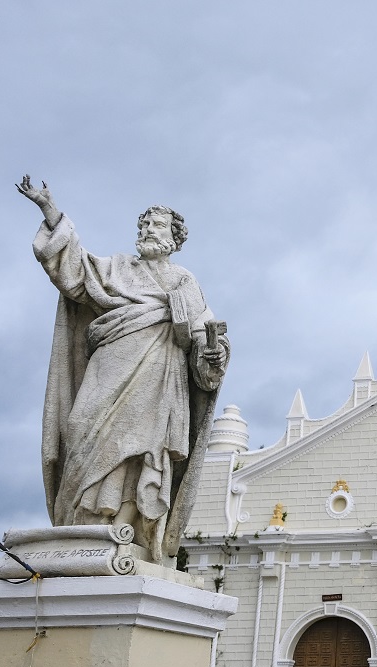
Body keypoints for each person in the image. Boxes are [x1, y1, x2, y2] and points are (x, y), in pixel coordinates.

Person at [17, 176, 229, 565]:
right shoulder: (116, 268)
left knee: (139, 454)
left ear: (175, 238)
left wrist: (212, 357)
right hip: (108, 367)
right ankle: (78, 525)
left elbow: (204, 336)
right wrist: (50, 211)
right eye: (146, 223)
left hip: (158, 380)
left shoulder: (184, 281)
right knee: (79, 428)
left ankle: (125, 529)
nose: (150, 229)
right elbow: (75, 273)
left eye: (159, 225)